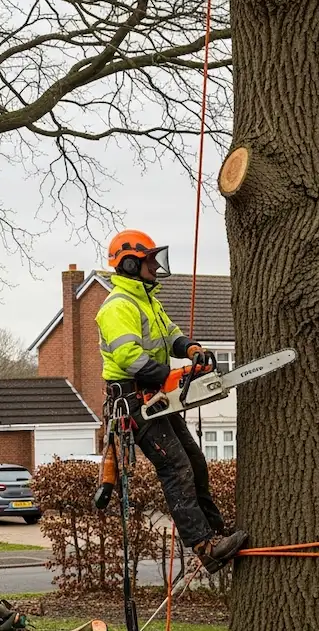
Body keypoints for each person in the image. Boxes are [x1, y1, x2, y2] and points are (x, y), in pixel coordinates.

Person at [95, 229, 248, 573]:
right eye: (149, 260)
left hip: (153, 393)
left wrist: (191, 348)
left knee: (193, 459)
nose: (155, 266)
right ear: (130, 263)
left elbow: (172, 335)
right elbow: (128, 357)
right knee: (175, 466)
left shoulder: (148, 300)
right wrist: (165, 375)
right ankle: (204, 547)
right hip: (133, 400)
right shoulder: (118, 306)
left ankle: (217, 532)